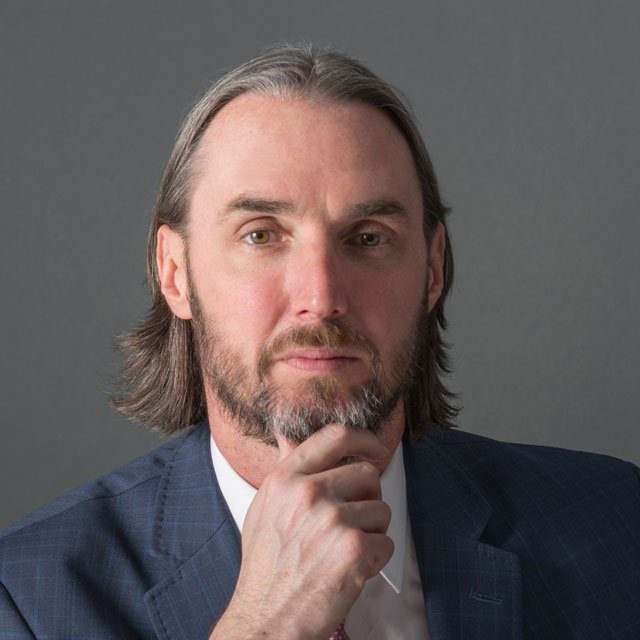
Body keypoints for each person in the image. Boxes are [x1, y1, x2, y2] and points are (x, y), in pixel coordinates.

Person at [1, 41, 639, 640]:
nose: (322, 295)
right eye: (261, 234)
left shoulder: (618, 528)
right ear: (175, 273)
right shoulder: (28, 599)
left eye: (368, 237)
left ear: (433, 268)